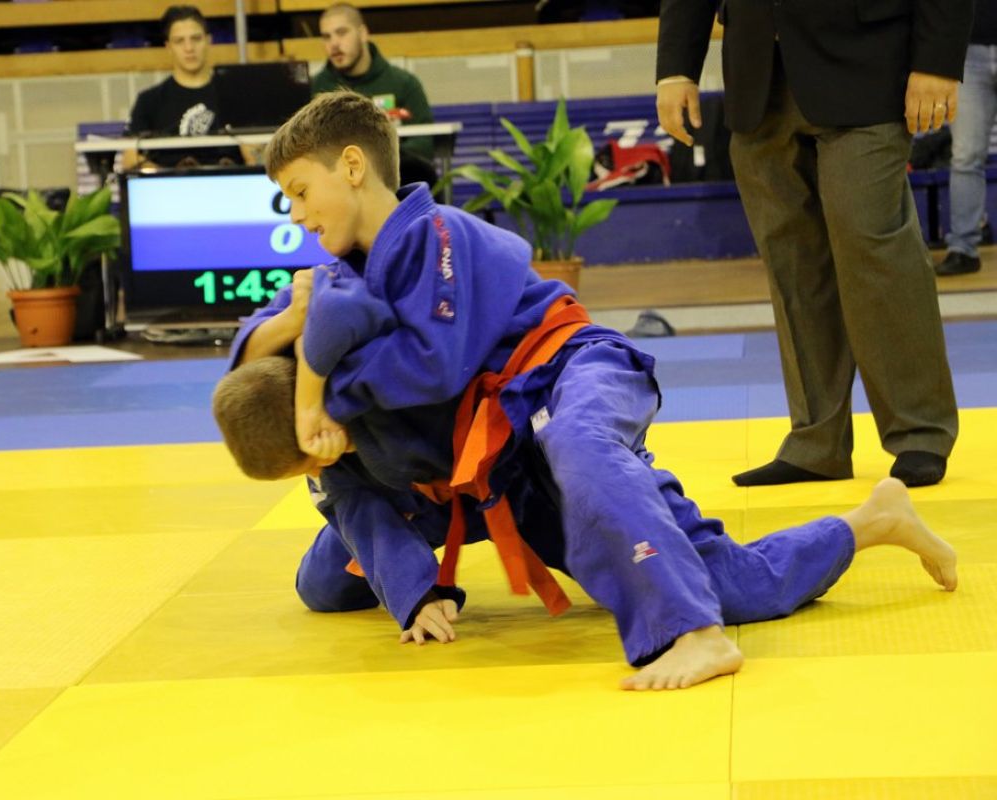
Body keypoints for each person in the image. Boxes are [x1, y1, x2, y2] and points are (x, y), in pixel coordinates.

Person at [212, 91, 958, 691]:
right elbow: (255, 353)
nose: (296, 215)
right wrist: (415, 592)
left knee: (590, 457)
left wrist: (320, 396)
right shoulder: (331, 286)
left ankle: (695, 631)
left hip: (567, 371)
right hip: (498, 459)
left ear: (351, 165)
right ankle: (874, 520)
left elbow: (432, 365)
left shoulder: (436, 235)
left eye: (299, 192)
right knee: (327, 577)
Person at [655, 0, 969, 488]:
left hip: (868, 63)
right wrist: (676, 68)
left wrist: (937, 61)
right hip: (757, 72)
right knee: (792, 262)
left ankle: (920, 432)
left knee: (874, 248)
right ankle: (816, 442)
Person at [312, 3, 437, 187]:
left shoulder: (404, 83)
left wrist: (377, 159)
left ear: (363, 33)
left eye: (342, 33)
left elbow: (425, 144)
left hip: (395, 185)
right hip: (336, 187)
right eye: (326, 37)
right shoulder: (315, 89)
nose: (334, 44)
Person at [123, 5, 242, 170]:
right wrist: (172, 177)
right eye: (179, 41)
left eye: (196, 39)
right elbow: (130, 159)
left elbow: (257, 153)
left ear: (209, 40)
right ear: (168, 47)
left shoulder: (237, 95)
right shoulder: (148, 101)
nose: (189, 48)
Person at [938, 3, 997, 277]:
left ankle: (963, 245)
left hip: (968, 46)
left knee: (966, 158)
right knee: (965, 156)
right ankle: (963, 249)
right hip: (967, 47)